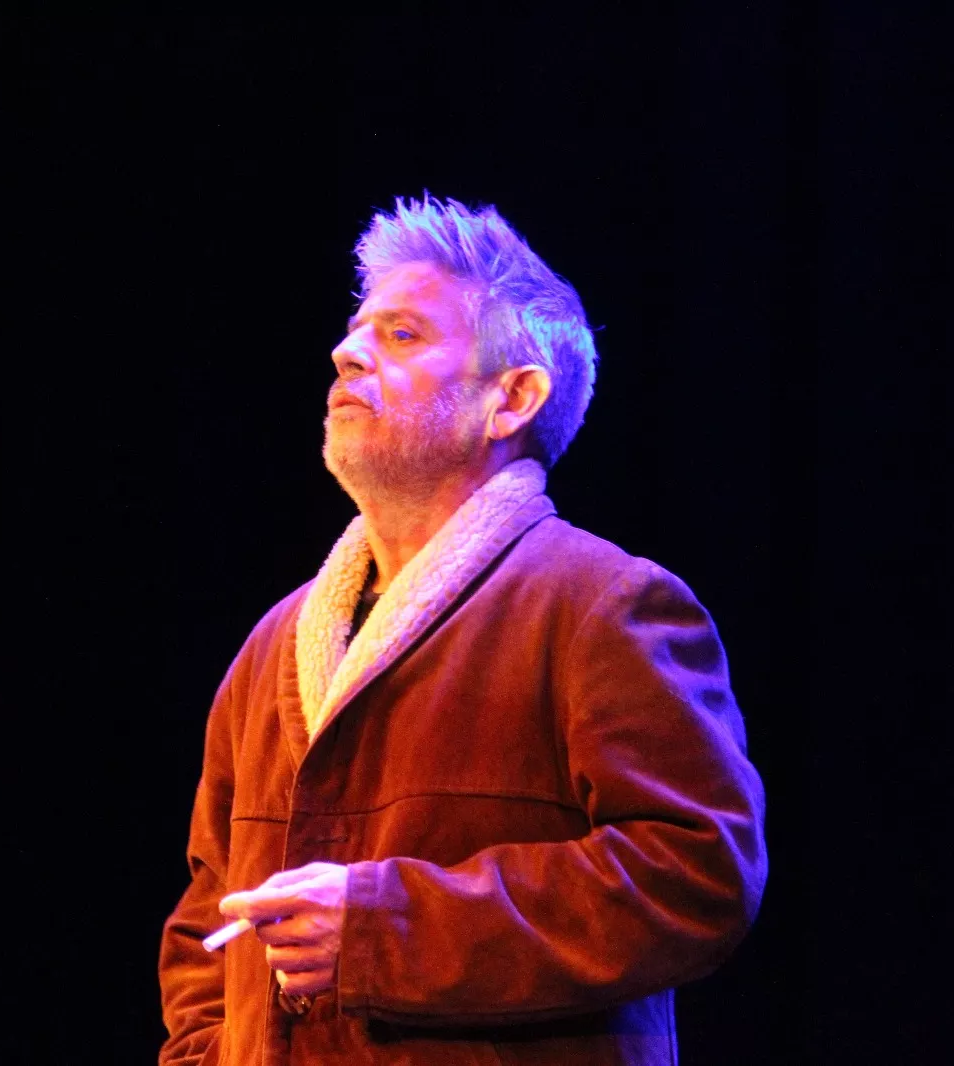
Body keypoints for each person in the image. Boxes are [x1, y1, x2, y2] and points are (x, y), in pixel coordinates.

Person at [158, 196, 767, 1066]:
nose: (346, 350)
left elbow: (698, 869)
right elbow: (205, 921)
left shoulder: (602, 604)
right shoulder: (273, 646)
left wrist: (382, 929)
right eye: (356, 329)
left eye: (402, 335)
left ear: (512, 397)